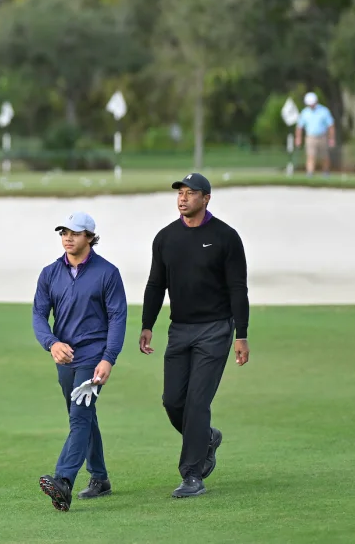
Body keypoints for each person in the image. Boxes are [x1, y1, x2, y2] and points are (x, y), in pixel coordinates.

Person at [139, 173, 250, 499]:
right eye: (180, 193)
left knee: (198, 402)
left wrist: (241, 334)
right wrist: (147, 324)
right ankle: (208, 438)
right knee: (173, 401)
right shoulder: (165, 238)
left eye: (190, 193)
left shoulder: (226, 237)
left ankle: (192, 475)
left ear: (206, 198)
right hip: (180, 330)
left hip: (216, 329)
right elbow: (155, 284)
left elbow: (237, 288)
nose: (183, 198)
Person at [34, 211, 127, 512]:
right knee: (84, 419)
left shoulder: (107, 273)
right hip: (64, 358)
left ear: (89, 236)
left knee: (79, 417)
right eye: (63, 232)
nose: (67, 238)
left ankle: (63, 481)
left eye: (74, 233)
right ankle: (100, 479)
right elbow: (38, 315)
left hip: (93, 357)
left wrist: (108, 358)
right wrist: (51, 343)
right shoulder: (50, 273)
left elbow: (117, 317)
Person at [295, 92, 335, 177]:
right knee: (310, 156)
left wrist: (331, 138)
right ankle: (310, 173)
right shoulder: (305, 112)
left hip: (322, 136)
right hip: (310, 137)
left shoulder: (324, 111)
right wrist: (298, 138)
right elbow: (299, 127)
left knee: (324, 157)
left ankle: (326, 173)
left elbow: (330, 125)